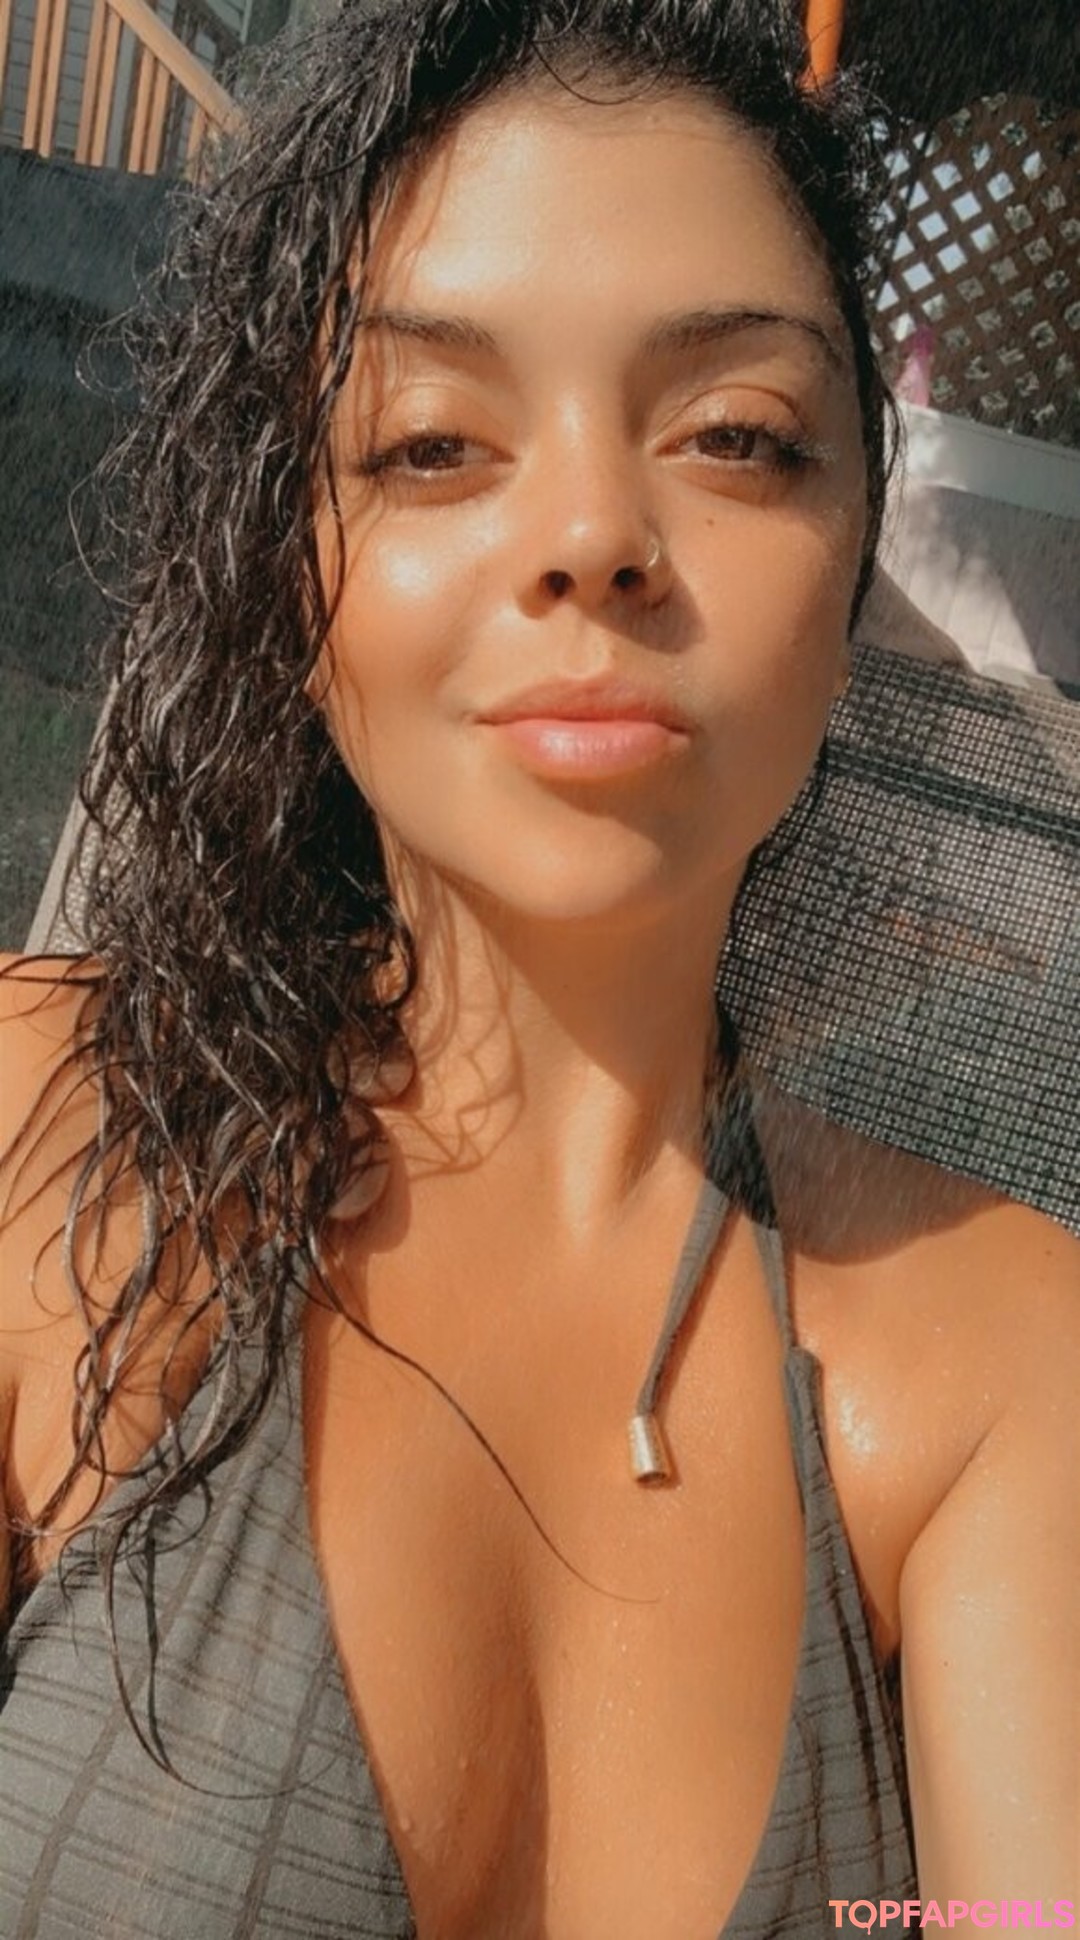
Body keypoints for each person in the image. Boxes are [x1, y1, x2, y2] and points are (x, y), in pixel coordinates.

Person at [0, 2, 1076, 1935]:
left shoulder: (998, 1357)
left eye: (736, 437)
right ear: (291, 569)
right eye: (432, 443)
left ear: (853, 564)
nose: (591, 535)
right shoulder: (42, 1147)